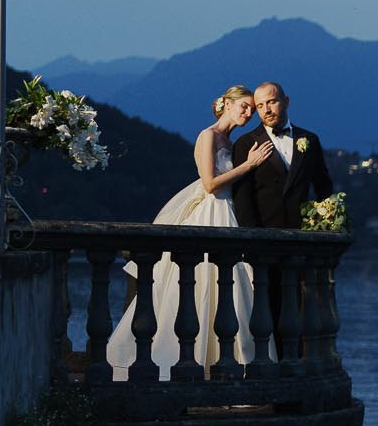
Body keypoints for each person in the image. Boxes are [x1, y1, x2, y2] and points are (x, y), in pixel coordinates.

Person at [105, 86, 275, 380]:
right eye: (244, 107)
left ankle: (227, 363)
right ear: (227, 104)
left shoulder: (231, 141)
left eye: (252, 109)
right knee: (203, 285)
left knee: (232, 288)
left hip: (229, 213)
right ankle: (191, 361)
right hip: (212, 214)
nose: (249, 113)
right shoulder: (208, 135)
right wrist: (249, 164)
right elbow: (210, 183)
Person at [229, 80, 335, 338]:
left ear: (286, 102)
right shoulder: (245, 143)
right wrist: (253, 241)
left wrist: (326, 223)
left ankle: (293, 358)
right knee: (266, 309)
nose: (266, 109)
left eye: (272, 102)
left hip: (301, 242)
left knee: (301, 309)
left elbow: (323, 186)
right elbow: (243, 198)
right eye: (260, 105)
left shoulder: (309, 140)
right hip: (264, 241)